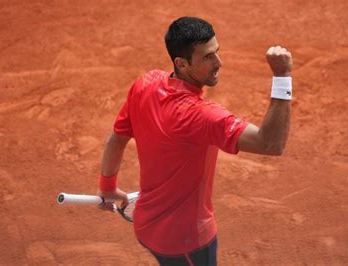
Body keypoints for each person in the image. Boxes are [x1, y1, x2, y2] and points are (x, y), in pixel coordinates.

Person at [96, 16, 293, 266]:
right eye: (208, 57)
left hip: (146, 228)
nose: (219, 63)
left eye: (217, 52)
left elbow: (116, 140)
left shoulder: (145, 84)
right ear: (182, 64)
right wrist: (283, 77)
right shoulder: (202, 116)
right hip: (185, 243)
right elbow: (271, 144)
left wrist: (107, 187)